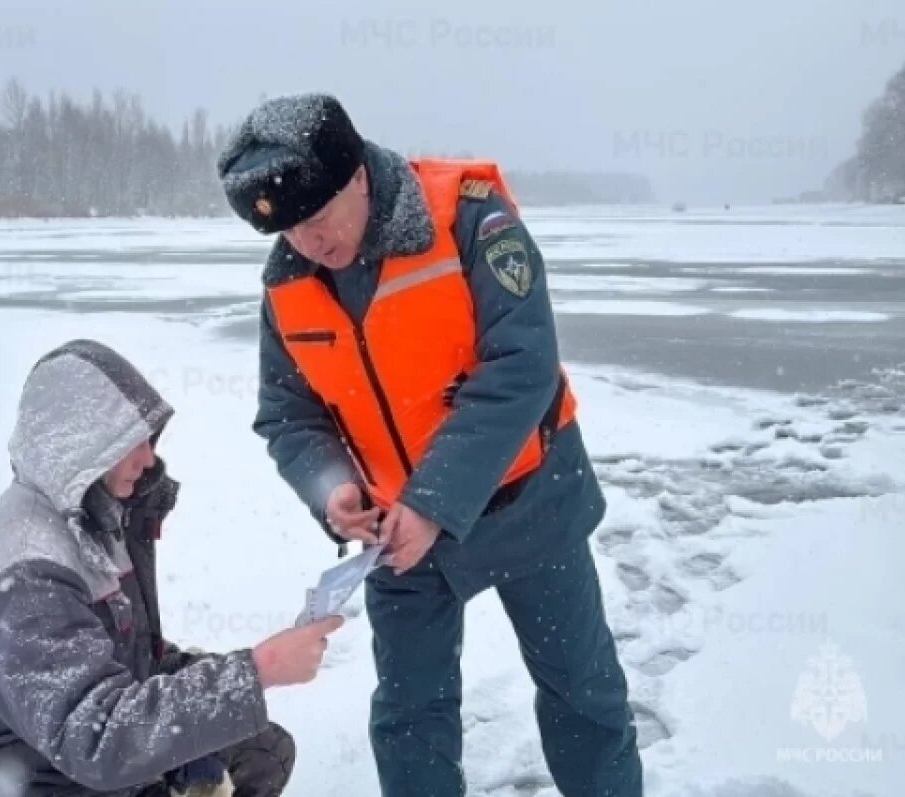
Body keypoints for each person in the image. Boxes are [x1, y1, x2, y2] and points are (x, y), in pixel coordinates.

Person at [215, 94, 643, 796]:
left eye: (318, 219)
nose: (308, 243)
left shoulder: (472, 220)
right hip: (399, 537)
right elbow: (287, 415)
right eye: (289, 231)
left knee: (582, 694)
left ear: (356, 175)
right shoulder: (289, 285)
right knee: (411, 714)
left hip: (530, 501)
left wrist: (435, 500)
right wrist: (334, 491)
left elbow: (522, 365)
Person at [0, 339, 344, 797]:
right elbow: (96, 740)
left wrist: (221, 675)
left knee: (258, 750)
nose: (149, 458)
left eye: (149, 439)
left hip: (62, 752)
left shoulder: (92, 520)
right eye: (130, 442)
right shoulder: (30, 573)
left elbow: (125, 654)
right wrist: (259, 670)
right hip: (8, 776)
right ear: (83, 446)